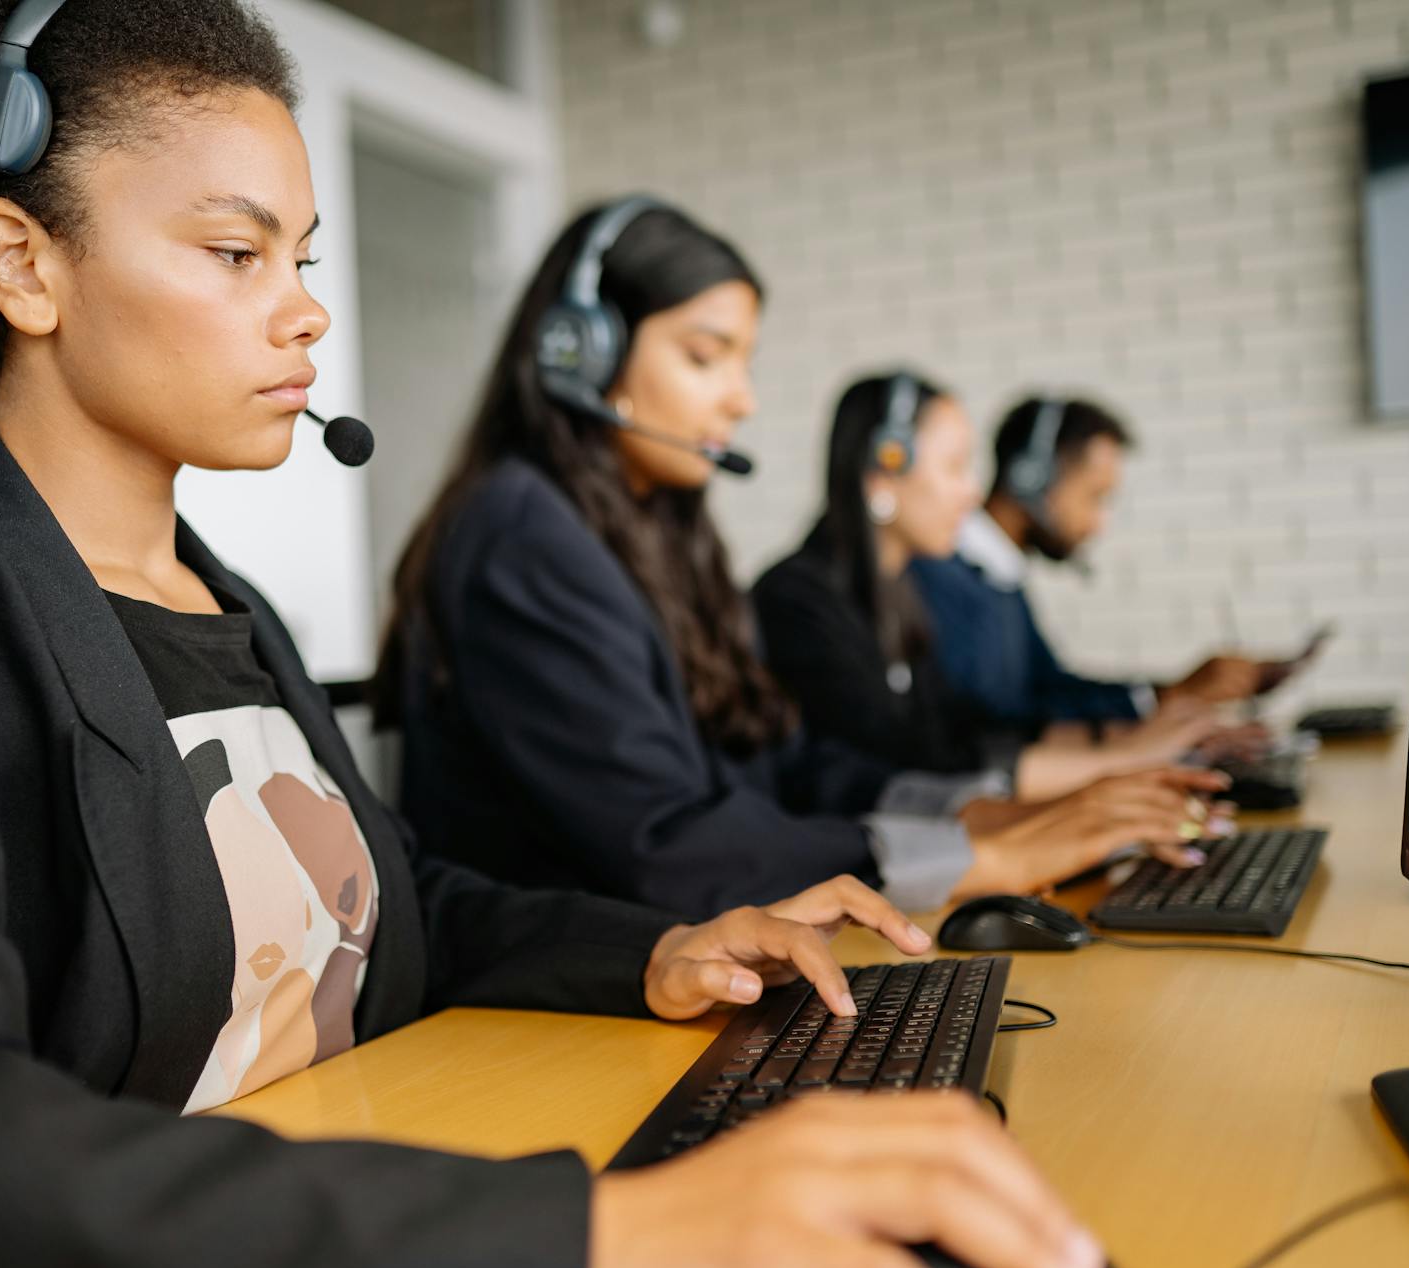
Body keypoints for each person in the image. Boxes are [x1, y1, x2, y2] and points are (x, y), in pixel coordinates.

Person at [0, 4, 1111, 1268]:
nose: (304, 309)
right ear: (22, 266)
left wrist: (656, 953)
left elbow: (394, 904)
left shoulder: (228, 610)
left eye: (297, 258)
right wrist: (608, 1236)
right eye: (236, 253)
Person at [375, 198, 1224, 923]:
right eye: (706, 356)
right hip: (544, 1012)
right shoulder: (523, 538)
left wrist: (986, 818)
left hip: (675, 957)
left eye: (744, 363)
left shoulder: (653, 538)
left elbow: (786, 766)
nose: (741, 399)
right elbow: (665, 843)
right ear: (580, 351)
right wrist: (985, 859)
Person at [755, 373, 1237, 803]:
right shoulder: (796, 602)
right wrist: (1120, 759)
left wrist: (1126, 741)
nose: (972, 492)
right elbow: (909, 765)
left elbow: (970, 725)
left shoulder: (899, 593)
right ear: (884, 471)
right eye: (954, 467)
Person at [910, 396, 1280, 734]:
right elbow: (1002, 719)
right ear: (1031, 477)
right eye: (1095, 497)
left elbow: (1049, 684)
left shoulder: (999, 573)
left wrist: (1171, 693)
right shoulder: (941, 575)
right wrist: (1164, 701)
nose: (1099, 523)